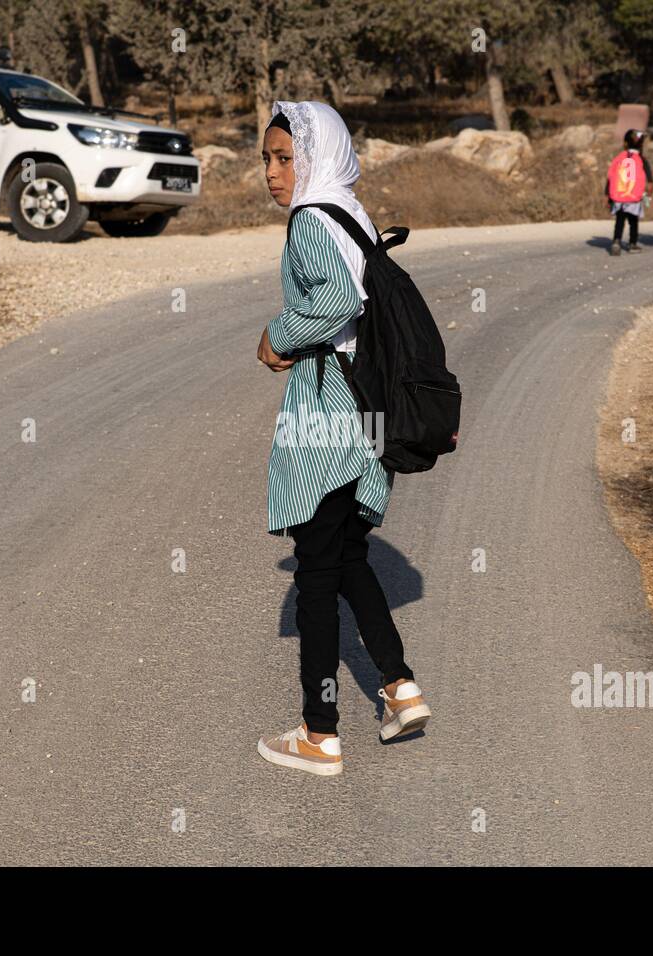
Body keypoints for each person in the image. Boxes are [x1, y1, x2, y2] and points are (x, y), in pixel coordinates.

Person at [255, 100, 431, 777]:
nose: (272, 173)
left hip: (329, 411)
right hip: (369, 410)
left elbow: (334, 303)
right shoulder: (349, 211)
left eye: (283, 158)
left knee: (318, 572)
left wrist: (279, 336)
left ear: (314, 155)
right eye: (267, 160)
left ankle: (318, 732)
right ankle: (398, 686)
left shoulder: (309, 219)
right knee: (349, 554)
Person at [605, 129, 653, 256]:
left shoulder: (618, 158)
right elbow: (650, 180)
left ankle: (616, 241)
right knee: (633, 221)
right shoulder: (642, 159)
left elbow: (610, 177)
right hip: (633, 197)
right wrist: (649, 193)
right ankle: (632, 243)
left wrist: (608, 196)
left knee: (620, 220)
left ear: (625, 143)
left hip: (619, 196)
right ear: (641, 145)